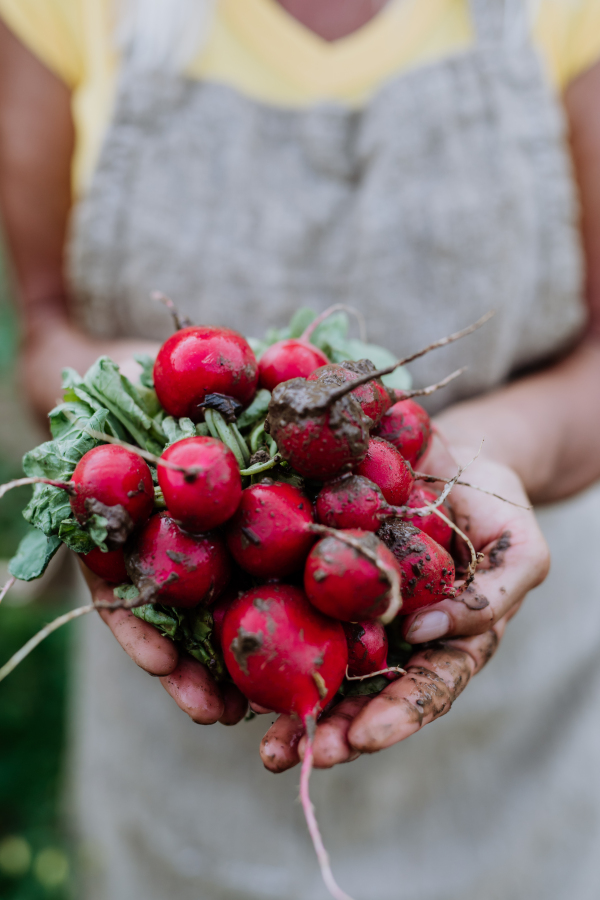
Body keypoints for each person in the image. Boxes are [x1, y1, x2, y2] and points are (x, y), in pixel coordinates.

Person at [1, 0, 600, 897]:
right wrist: (124, 403)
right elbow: (43, 324)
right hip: (187, 695)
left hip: (512, 673)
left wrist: (486, 450)